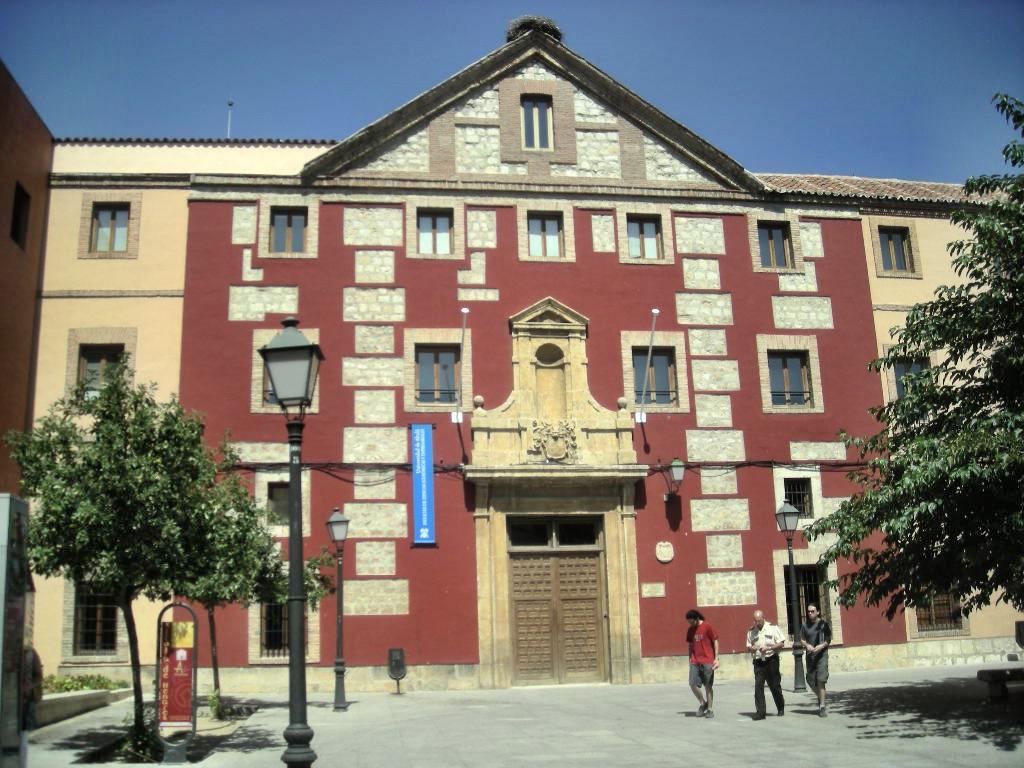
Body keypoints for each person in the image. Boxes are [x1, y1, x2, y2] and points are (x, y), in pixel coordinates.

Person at [745, 609, 786, 720]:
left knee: (774, 686)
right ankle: (760, 713)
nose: (757, 623)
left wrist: (769, 647)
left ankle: (780, 707)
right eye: (755, 621)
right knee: (758, 686)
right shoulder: (751, 631)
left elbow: (781, 643)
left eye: (759, 620)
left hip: (771, 659)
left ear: (763, 618)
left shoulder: (773, 628)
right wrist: (752, 649)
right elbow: (749, 646)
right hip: (758, 661)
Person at [685, 609, 719, 719]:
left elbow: (715, 640)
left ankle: (710, 709)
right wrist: (690, 658)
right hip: (695, 661)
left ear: (697, 619)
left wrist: (716, 658)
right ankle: (702, 703)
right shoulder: (690, 630)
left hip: (708, 661)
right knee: (692, 683)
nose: (690, 624)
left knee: (708, 686)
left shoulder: (707, 626)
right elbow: (690, 644)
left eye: (692, 622)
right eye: (689, 622)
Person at [800, 604, 831, 717]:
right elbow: (802, 639)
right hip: (810, 656)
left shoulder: (823, 624)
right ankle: (820, 696)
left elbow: (828, 639)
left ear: (818, 612)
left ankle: (822, 706)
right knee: (810, 679)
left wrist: (822, 646)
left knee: (821, 679)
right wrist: (807, 645)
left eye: (812, 611)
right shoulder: (805, 625)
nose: (810, 613)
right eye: (808, 611)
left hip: (822, 655)